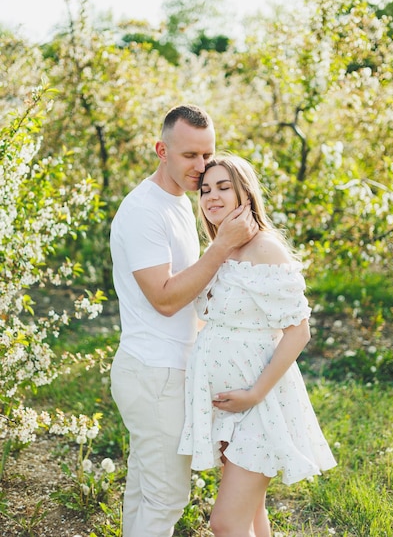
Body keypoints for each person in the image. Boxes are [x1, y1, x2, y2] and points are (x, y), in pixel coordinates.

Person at [109, 105, 258, 537]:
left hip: (168, 370)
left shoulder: (177, 203)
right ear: (162, 150)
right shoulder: (142, 211)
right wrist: (223, 246)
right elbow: (166, 299)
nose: (201, 166)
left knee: (144, 490)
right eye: (190, 155)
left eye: (207, 155)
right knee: (166, 499)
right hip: (154, 374)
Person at [178, 155, 337, 537]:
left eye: (223, 187)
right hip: (228, 405)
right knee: (251, 515)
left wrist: (253, 394)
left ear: (245, 194)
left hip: (260, 404)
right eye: (205, 189)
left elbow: (299, 332)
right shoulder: (220, 248)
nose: (211, 196)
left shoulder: (265, 249)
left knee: (226, 522)